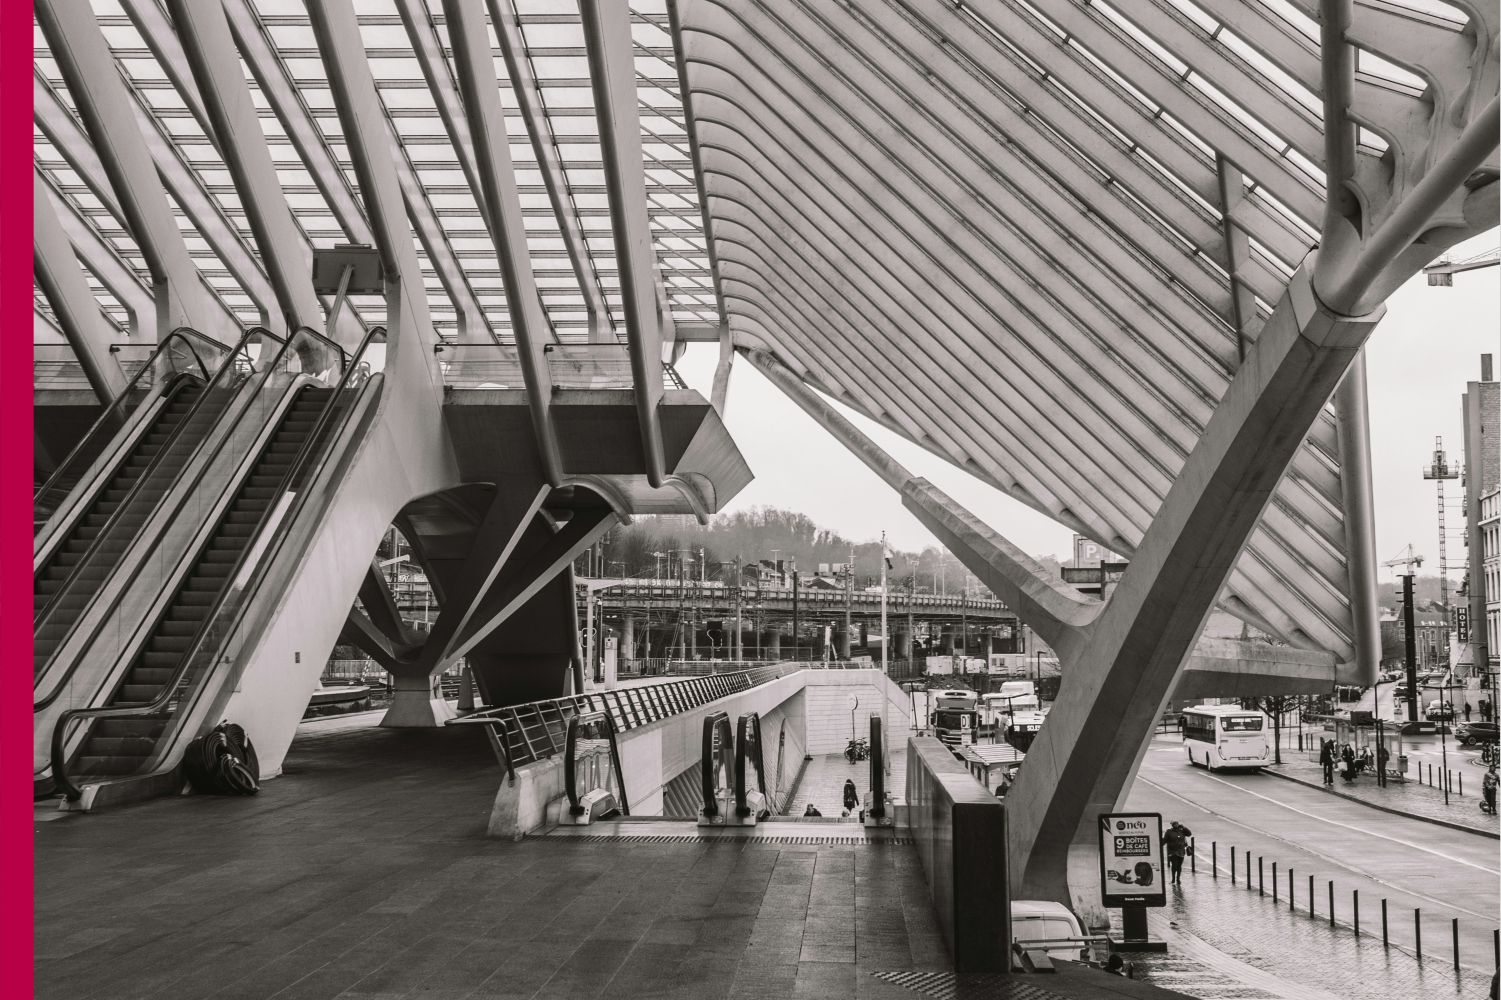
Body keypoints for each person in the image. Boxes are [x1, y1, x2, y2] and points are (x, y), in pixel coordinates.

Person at [1164, 820, 1192, 885]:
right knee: (1174, 865)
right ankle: (1173, 879)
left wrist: (1184, 827)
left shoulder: (1182, 831)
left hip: (1181, 851)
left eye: (1177, 823)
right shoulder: (1169, 832)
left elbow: (1189, 834)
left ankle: (1178, 879)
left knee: (1179, 866)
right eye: (1174, 824)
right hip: (1172, 851)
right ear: (1172, 825)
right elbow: (1165, 840)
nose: (1176, 825)